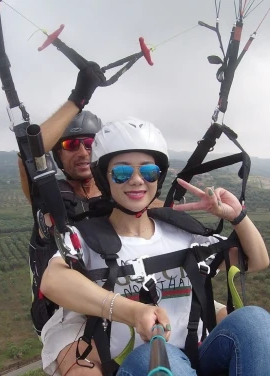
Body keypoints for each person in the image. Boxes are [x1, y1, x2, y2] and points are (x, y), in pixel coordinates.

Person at [40, 118, 270, 375]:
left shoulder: (182, 233)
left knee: (256, 321)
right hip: (138, 364)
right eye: (122, 172)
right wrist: (132, 312)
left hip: (196, 356)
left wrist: (237, 217)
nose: (136, 180)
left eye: (148, 172)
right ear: (104, 178)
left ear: (158, 177)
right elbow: (53, 281)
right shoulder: (87, 239)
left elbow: (256, 261)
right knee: (150, 357)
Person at [19, 64, 165, 336]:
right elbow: (30, 152)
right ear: (58, 155)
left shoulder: (120, 193)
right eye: (71, 145)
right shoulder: (48, 195)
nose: (83, 152)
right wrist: (78, 98)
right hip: (63, 312)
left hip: (119, 306)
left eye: (90, 143)